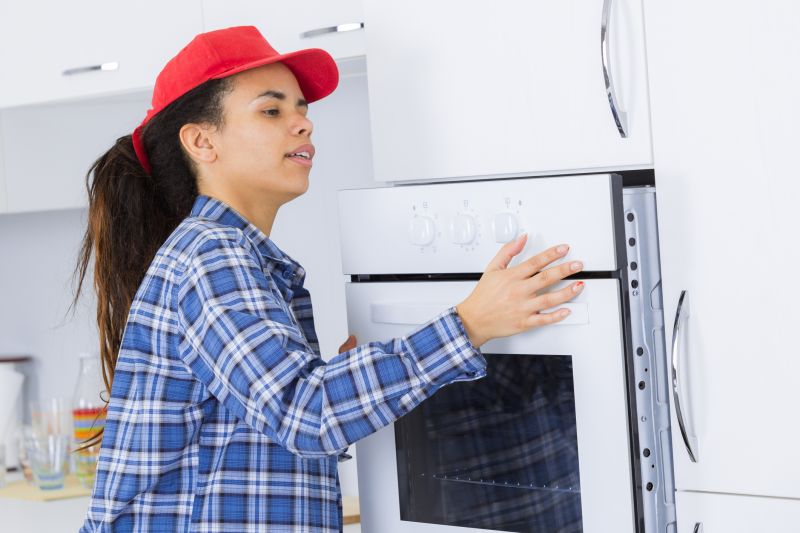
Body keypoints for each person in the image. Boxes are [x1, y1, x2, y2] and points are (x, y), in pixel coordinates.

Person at [73, 25, 585, 532]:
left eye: (302, 110)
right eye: (272, 110)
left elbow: (268, 428)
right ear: (202, 141)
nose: (303, 125)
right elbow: (305, 414)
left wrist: (341, 386)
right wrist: (470, 324)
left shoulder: (233, 257)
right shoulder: (213, 255)